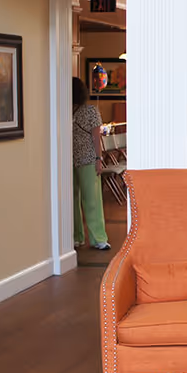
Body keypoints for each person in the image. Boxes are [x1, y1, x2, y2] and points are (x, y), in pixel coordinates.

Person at [72, 77, 110, 250]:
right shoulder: (91, 111)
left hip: (69, 159)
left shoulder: (63, 111)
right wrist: (99, 159)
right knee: (92, 199)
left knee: (72, 199)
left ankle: (75, 237)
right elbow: (96, 137)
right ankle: (98, 238)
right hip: (87, 158)